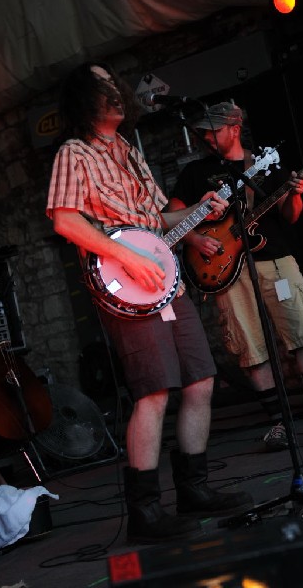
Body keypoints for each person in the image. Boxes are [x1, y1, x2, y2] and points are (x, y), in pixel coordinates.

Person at [46, 64, 253, 544]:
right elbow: (65, 221)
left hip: (168, 283)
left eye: (114, 83)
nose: (115, 93)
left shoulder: (128, 152)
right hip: (126, 288)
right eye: (102, 86)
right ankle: (145, 513)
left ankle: (194, 488)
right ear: (84, 98)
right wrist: (124, 256)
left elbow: (159, 218)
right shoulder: (73, 154)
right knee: (154, 391)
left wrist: (200, 207)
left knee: (201, 380)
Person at [169, 101, 303, 452]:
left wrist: (295, 194)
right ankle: (278, 424)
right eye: (203, 132)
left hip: (275, 259)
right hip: (225, 268)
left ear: (235, 127)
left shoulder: (267, 164)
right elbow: (172, 217)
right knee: (247, 343)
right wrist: (196, 239)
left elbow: (290, 216)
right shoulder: (195, 174)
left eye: (213, 130)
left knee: (302, 328)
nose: (206, 137)